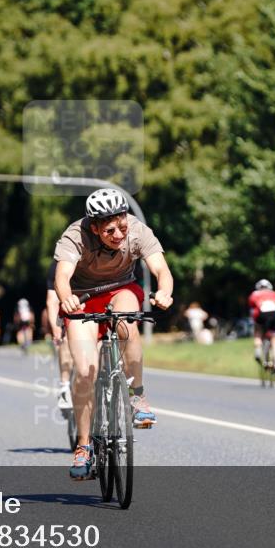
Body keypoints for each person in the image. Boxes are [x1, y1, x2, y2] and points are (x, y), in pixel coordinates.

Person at [55, 188, 174, 480]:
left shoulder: (136, 230)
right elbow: (62, 275)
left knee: (127, 324)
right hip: (82, 298)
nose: (119, 235)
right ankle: (83, 446)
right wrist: (66, 297)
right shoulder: (76, 235)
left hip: (121, 290)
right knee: (85, 371)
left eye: (122, 226)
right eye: (110, 230)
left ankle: (137, 396)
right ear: (94, 227)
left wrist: (165, 292)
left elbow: (161, 269)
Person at [45, 260, 73, 411]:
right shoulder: (57, 266)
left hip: (92, 307)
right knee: (66, 338)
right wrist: (56, 328)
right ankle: (65, 386)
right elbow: (52, 302)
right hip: (69, 309)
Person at [248, 279, 275, 374]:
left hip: (261, 315)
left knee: (258, 331)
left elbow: (252, 311)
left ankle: (258, 351)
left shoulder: (254, 294)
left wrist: (254, 324)